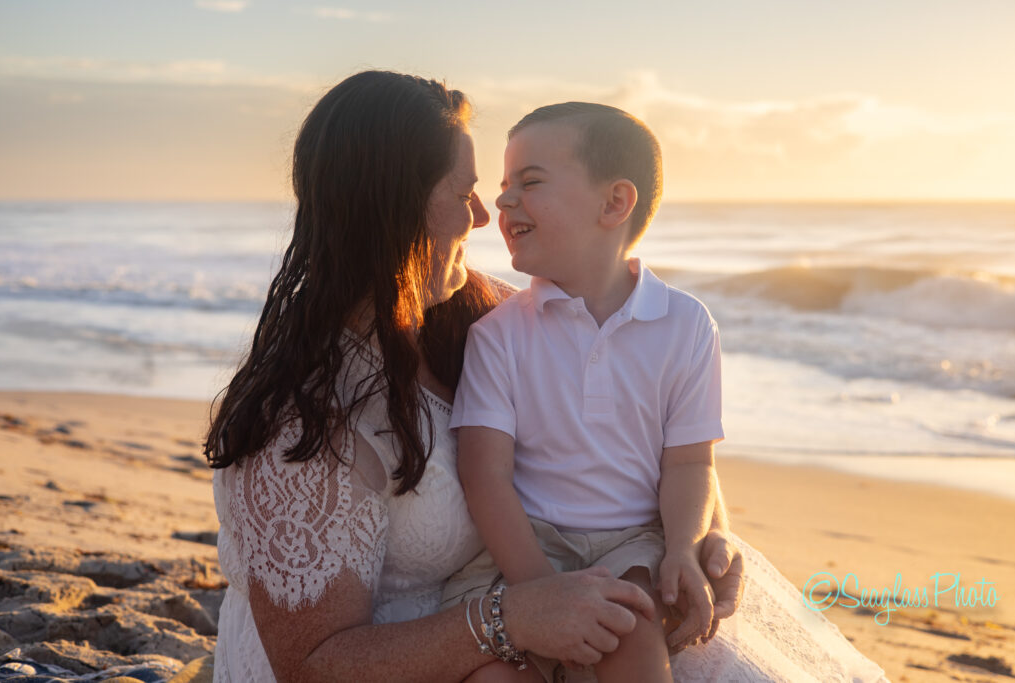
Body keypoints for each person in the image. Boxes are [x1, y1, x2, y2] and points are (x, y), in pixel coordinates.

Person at [204, 70, 745, 682]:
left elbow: (660, 442)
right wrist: (510, 617)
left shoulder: (486, 315)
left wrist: (704, 539)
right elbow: (312, 666)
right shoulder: (298, 424)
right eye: (465, 194)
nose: (486, 216)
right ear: (392, 209)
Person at [441, 103, 722, 683]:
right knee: (491, 678)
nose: (502, 202)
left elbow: (692, 460)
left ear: (614, 203)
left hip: (632, 546)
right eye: (503, 186)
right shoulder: (499, 334)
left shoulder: (686, 325)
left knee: (636, 640)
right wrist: (543, 593)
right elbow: (484, 476)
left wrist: (683, 548)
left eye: (531, 182)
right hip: (525, 545)